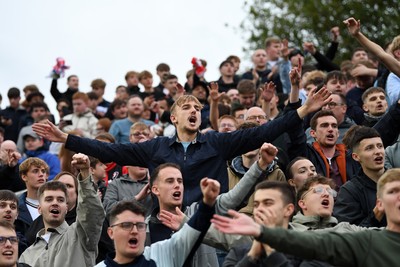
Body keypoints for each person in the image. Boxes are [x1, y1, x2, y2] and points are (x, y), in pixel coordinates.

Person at [32, 91, 331, 207]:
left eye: (198, 108)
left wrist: (304, 110)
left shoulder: (217, 142)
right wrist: (66, 138)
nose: (194, 111)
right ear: (173, 117)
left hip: (210, 224)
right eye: (186, 107)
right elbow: (110, 151)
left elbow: (266, 130)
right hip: (164, 223)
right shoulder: (155, 147)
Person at [212, 168, 400, 267]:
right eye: (318, 191)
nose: (326, 195)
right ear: (300, 204)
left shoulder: (348, 232)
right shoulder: (244, 249)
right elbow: (221, 233)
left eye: (331, 193)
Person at [95, 177, 220, 267]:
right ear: (111, 232)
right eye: (126, 225)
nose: (134, 231)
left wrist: (207, 203)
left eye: (140, 226)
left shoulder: (159, 253)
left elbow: (192, 232)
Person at [19, 153, 105, 267]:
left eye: (60, 200)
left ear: (66, 207)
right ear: (39, 208)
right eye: (49, 199)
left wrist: (84, 173)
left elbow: (92, 213)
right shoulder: (27, 255)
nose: (55, 203)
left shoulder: (81, 235)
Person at [333, 126, 387, 227]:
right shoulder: (349, 192)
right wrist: (377, 214)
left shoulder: (396, 180)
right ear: (356, 157)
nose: (378, 151)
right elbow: (349, 236)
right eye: (369, 148)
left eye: (380, 146)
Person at [15, 158, 48, 237]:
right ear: (24, 177)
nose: (41, 174)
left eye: (43, 171)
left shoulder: (55, 204)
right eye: (35, 171)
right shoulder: (16, 208)